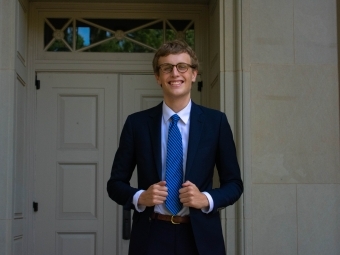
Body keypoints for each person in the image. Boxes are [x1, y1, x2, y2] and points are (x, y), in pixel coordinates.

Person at [107, 40, 243, 255]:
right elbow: (115, 184)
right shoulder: (137, 124)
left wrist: (206, 199)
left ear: (194, 74)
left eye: (182, 67)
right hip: (151, 235)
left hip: (201, 238)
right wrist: (140, 197)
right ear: (158, 77)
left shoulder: (215, 122)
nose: (175, 73)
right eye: (167, 67)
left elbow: (234, 184)